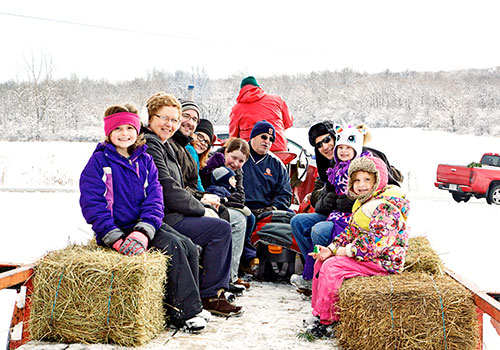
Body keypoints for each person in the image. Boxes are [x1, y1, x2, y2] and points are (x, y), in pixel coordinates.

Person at [79, 104, 210, 332]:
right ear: (109, 132)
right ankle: (184, 314)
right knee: (174, 248)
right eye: (118, 129)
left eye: (129, 128)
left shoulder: (144, 160)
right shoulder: (100, 162)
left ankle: (192, 305)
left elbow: (155, 197)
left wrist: (145, 229)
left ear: (137, 131)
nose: (124, 134)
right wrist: (114, 237)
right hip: (118, 228)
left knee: (187, 245)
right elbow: (93, 203)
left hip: (142, 225)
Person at [141, 92, 242, 316]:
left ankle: (216, 288)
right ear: (150, 118)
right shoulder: (152, 144)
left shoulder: (163, 144)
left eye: (174, 120)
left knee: (223, 220)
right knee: (220, 229)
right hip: (165, 215)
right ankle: (210, 295)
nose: (170, 124)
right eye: (165, 118)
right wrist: (200, 207)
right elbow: (167, 187)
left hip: (172, 210)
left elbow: (179, 185)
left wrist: (201, 202)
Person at [305, 156, 410, 338]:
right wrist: (330, 249)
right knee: (322, 262)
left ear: (379, 179)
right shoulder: (364, 202)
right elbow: (350, 233)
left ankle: (330, 321)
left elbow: (377, 243)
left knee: (333, 267)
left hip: (383, 261)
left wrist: (345, 251)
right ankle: (318, 313)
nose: (361, 185)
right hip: (368, 256)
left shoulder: (386, 207)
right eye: (356, 180)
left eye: (367, 180)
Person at [291, 123, 372, 290]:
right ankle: (313, 271)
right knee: (298, 222)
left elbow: (383, 186)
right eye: (318, 144)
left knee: (319, 230)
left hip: (356, 217)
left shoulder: (365, 162)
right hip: (334, 213)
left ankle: (324, 276)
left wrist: (351, 201)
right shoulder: (331, 166)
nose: (324, 146)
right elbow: (318, 195)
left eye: (327, 140)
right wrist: (326, 199)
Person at [200, 138, 254, 289]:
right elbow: (203, 185)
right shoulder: (211, 163)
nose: (236, 164)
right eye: (233, 158)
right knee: (241, 219)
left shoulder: (238, 172)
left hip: (222, 203)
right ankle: (231, 275)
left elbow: (240, 197)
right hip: (206, 202)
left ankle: (238, 266)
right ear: (226, 152)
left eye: (241, 161)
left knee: (250, 218)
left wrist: (222, 199)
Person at [229, 76, 294, 152]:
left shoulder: (236, 109)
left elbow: (233, 137)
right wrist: (274, 131)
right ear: (258, 87)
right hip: (280, 150)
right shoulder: (276, 100)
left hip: (251, 152)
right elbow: (288, 122)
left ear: (241, 91)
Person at [242, 120, 293, 215]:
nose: (267, 141)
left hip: (266, 211)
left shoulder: (277, 164)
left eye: (271, 139)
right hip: (240, 208)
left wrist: (273, 208)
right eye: (264, 137)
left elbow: (285, 194)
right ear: (253, 136)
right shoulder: (238, 154)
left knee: (291, 219)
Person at [186, 119, 215, 192]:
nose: (202, 142)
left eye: (206, 142)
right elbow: (196, 180)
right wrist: (204, 194)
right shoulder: (190, 149)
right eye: (200, 136)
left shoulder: (197, 156)